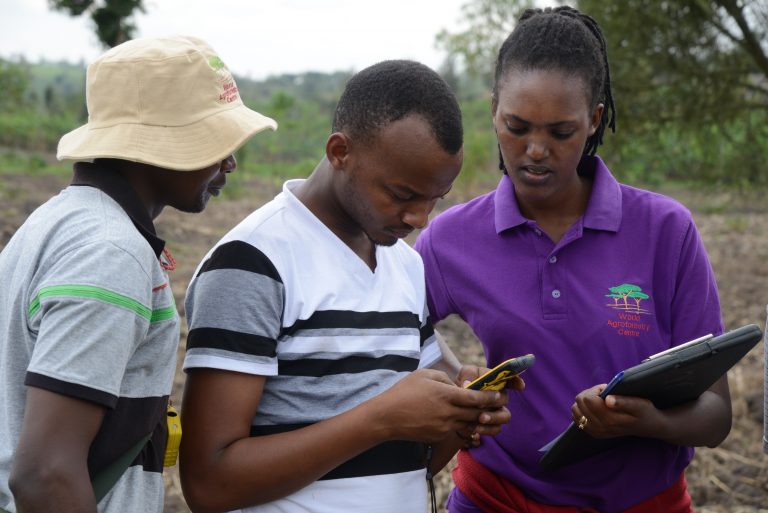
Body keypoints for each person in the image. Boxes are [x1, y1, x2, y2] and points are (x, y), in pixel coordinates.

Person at [414, 6, 731, 513]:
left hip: (643, 502)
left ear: (595, 121)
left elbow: (716, 416)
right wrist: (455, 385)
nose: (535, 150)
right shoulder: (451, 240)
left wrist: (645, 420)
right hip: (496, 499)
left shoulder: (666, 232)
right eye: (517, 126)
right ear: (494, 110)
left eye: (561, 132)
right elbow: (388, 339)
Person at [179, 59, 517, 513]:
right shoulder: (253, 262)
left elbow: (411, 459)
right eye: (401, 195)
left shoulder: (405, 265)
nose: (419, 219)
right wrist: (380, 419)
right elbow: (209, 483)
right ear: (340, 152)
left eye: (434, 199)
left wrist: (463, 415)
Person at [0, 35, 277, 513]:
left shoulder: (59, 220)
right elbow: (45, 476)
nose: (230, 162)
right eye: (214, 143)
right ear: (151, 144)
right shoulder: (111, 255)